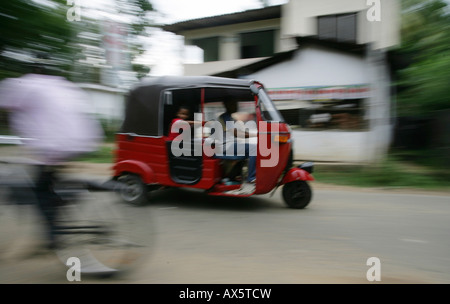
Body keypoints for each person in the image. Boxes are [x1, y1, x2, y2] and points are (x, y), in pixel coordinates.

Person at [0, 57, 104, 249]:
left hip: (55, 145)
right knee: (50, 184)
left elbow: (6, 105)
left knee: (40, 190)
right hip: (82, 139)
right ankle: (62, 201)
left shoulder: (24, 84)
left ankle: (53, 236)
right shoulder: (63, 85)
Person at [217, 97, 257, 183]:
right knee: (254, 148)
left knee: (248, 149)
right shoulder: (225, 117)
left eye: (236, 104)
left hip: (228, 144)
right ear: (227, 105)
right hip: (225, 146)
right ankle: (251, 177)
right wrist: (256, 135)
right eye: (233, 104)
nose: (236, 106)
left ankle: (236, 175)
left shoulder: (229, 117)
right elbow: (236, 133)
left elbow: (239, 131)